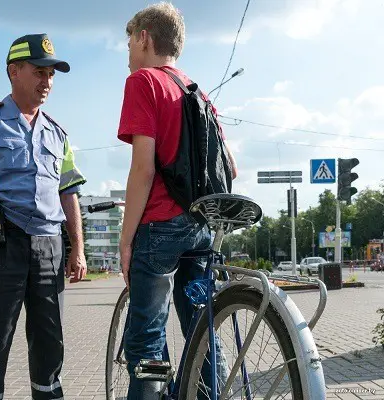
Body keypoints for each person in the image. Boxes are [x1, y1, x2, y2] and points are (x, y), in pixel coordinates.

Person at [0, 33, 87, 400]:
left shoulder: (58, 134)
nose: (47, 82)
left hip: (48, 247)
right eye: (40, 72)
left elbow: (68, 192)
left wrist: (78, 250)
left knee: (49, 339)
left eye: (52, 75)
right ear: (14, 71)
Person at [116, 3, 238, 398]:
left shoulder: (144, 82)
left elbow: (143, 170)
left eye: (130, 43)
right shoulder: (195, 90)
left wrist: (125, 239)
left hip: (159, 233)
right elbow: (229, 166)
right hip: (200, 231)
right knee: (201, 329)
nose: (129, 54)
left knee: (148, 341)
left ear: (144, 37)